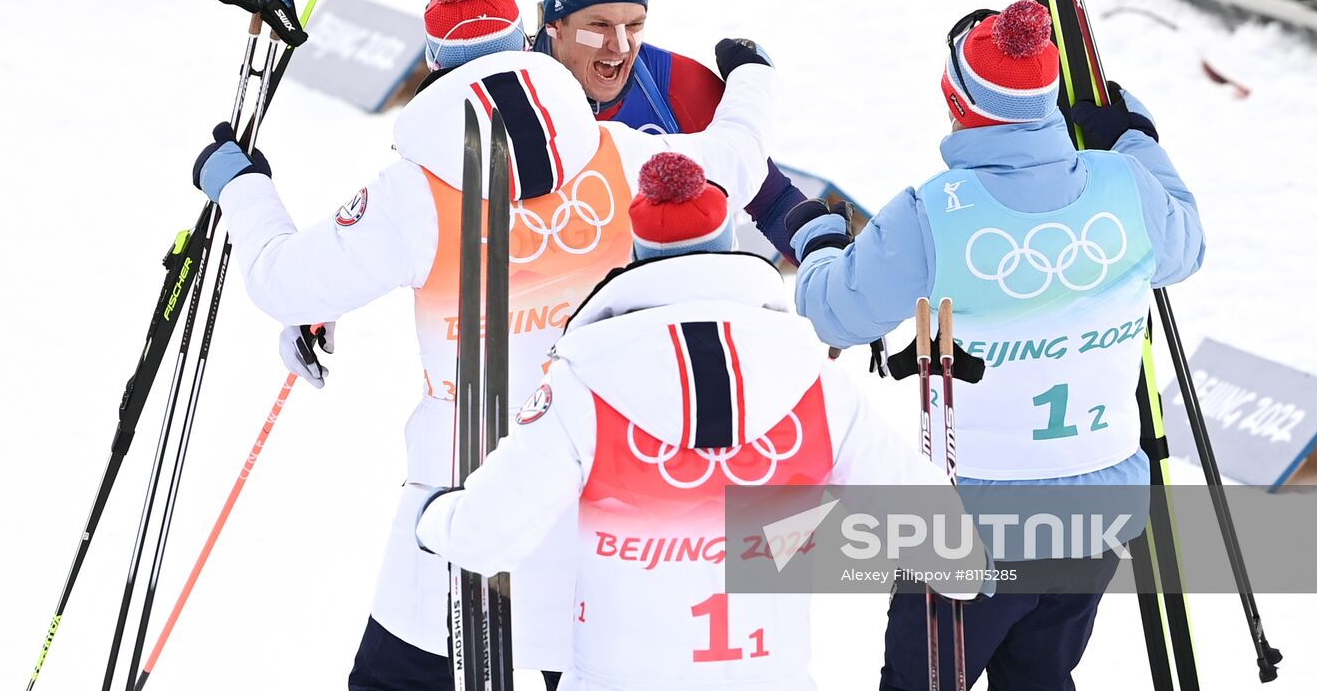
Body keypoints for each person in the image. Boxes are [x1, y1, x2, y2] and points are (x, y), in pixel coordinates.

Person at [190, 0, 780, 691]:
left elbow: (281, 280)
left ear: (437, 66)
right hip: (600, 486)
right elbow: (737, 159)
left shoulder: (412, 191)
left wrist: (240, 184)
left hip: (465, 489)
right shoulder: (615, 153)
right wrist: (752, 79)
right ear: (523, 46)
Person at [416, 152, 983, 690]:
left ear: (639, 253)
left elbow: (482, 539)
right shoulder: (811, 378)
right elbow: (949, 547)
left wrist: (433, 517)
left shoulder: (583, 380)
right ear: (727, 244)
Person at [785, 0, 1205, 691]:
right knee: (1041, 676)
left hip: (973, 529)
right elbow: (1185, 245)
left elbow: (836, 314)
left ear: (956, 99)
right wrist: (1133, 137)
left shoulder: (933, 214)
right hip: (1099, 514)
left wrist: (821, 242)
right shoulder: (1124, 185)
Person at [533, 0, 808, 261]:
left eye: (634, 25)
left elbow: (772, 199)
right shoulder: (506, 84)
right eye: (600, 26)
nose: (620, 46)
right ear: (553, 25)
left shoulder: (676, 82)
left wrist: (823, 250)